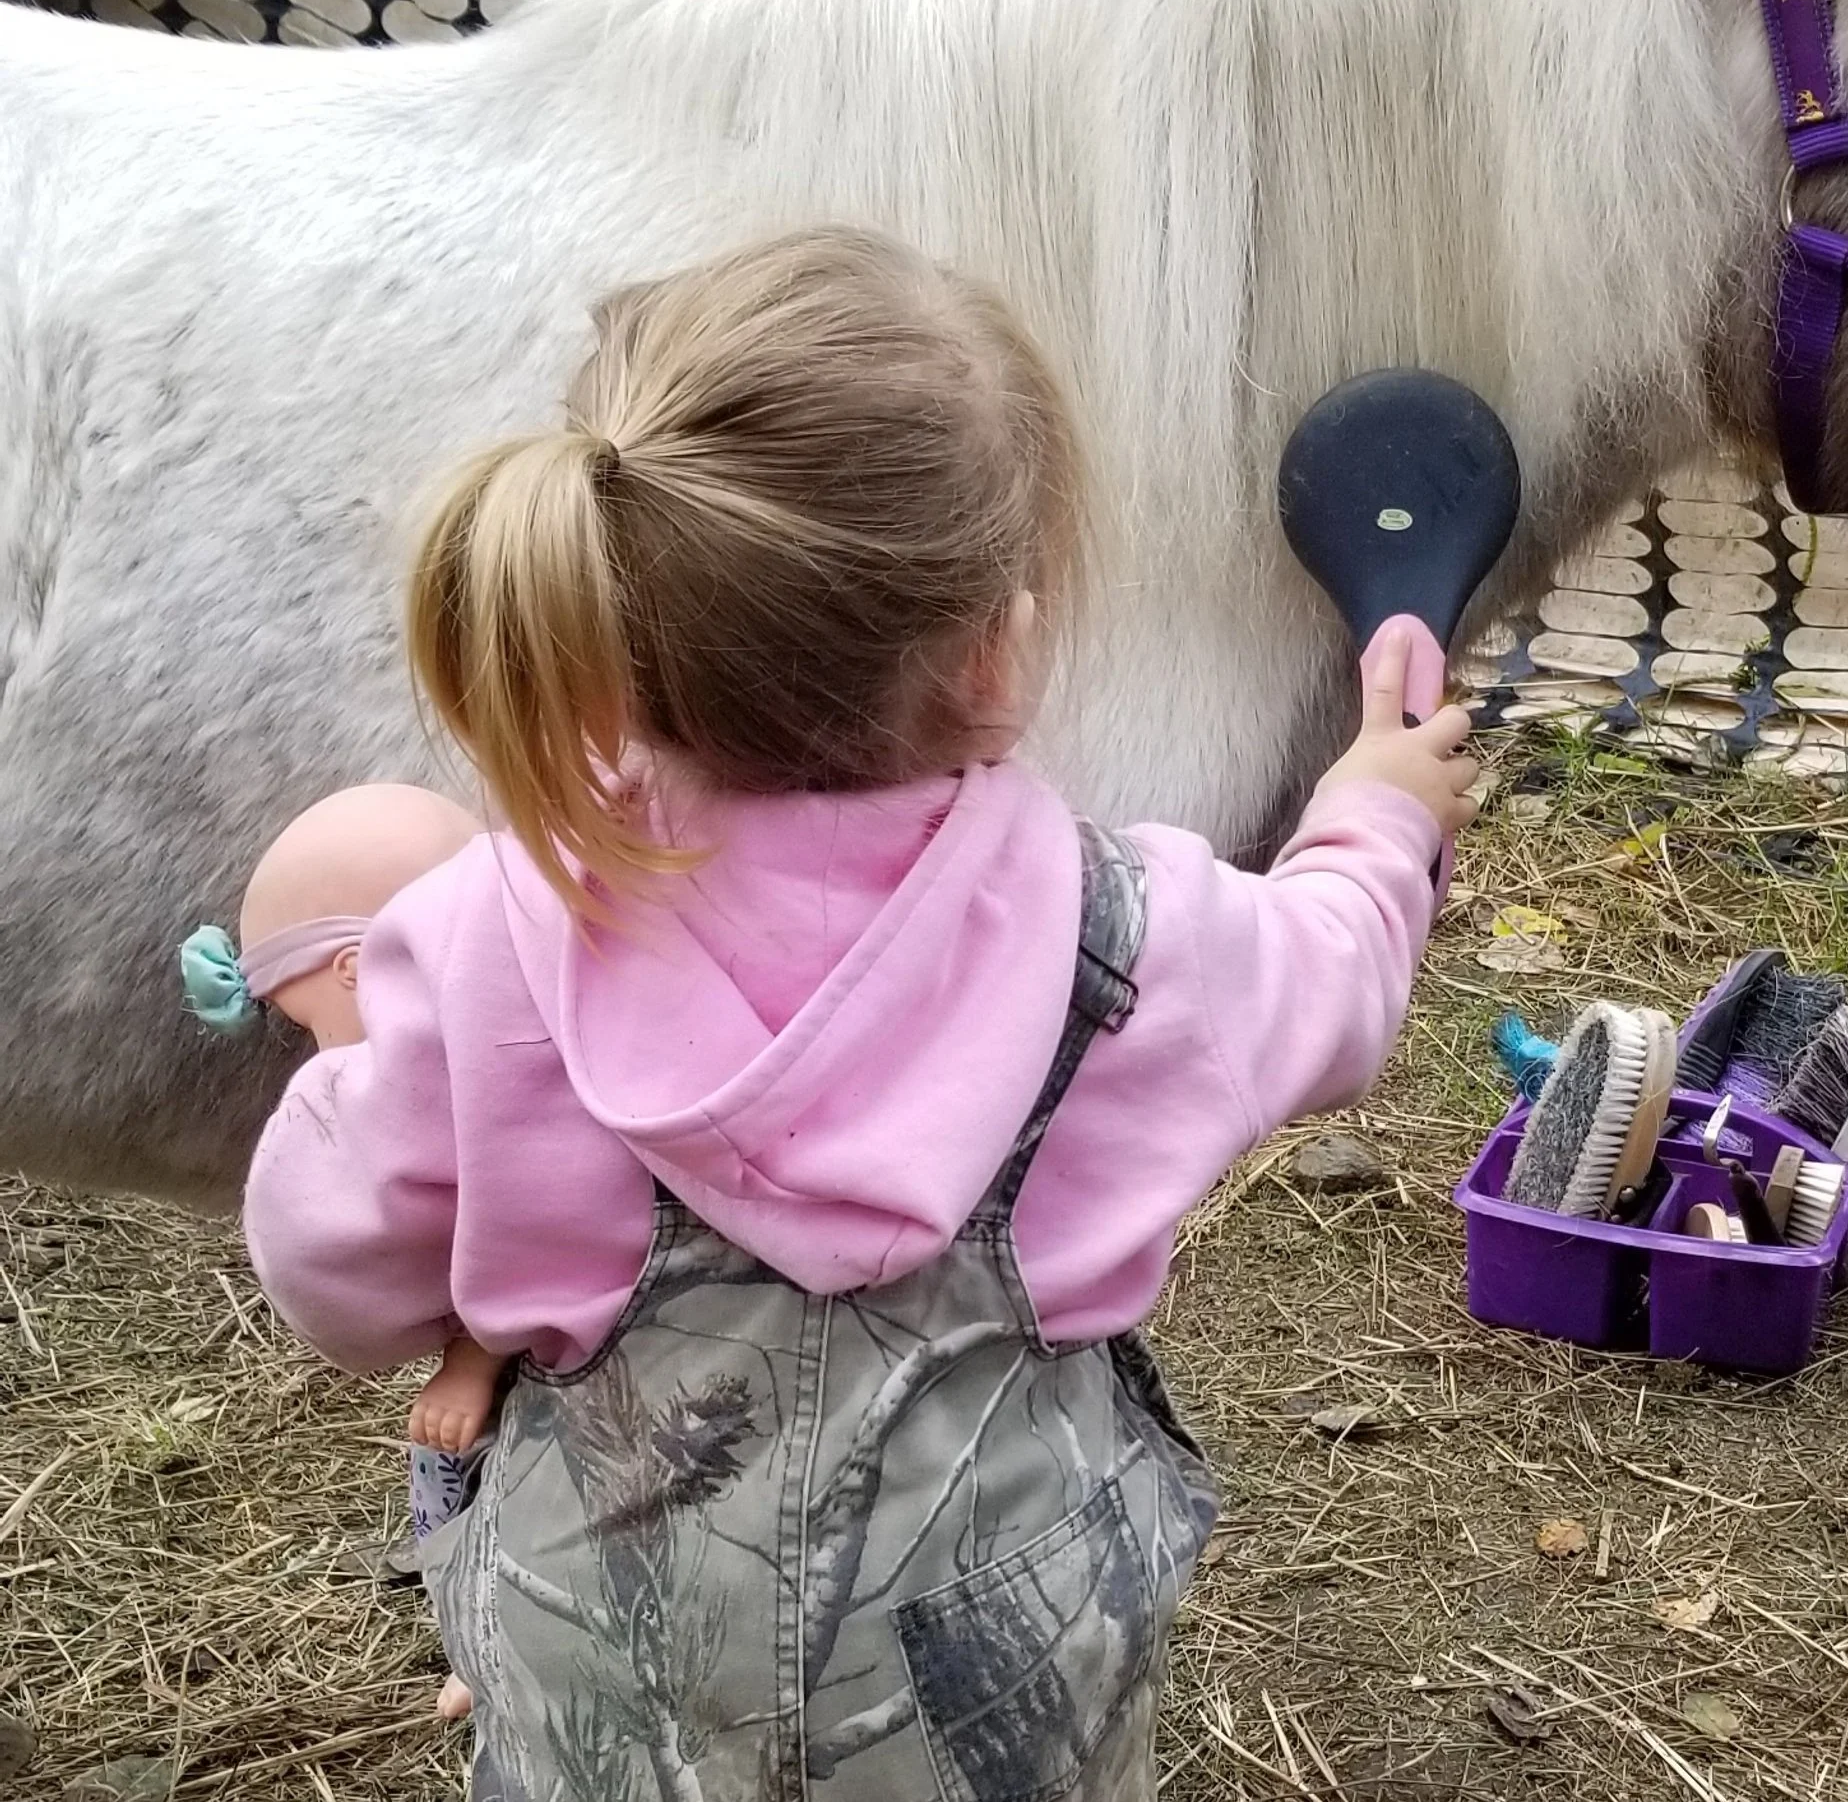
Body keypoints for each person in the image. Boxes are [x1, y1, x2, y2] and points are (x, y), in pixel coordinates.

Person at [241, 227, 1478, 1800]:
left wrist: (376, 1104)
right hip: (994, 1680)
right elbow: (1339, 975)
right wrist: (1375, 811)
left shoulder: (483, 934)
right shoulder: (1137, 931)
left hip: (610, 1654)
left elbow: (335, 1271)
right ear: (994, 645)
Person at [179, 780, 497, 1722]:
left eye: (305, 1020)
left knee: (478, 1495)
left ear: (361, 969)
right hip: (487, 1349)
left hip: (518, 1358)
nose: (316, 1054)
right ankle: (471, 1634)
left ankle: (487, 1638)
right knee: (447, 1492)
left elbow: (533, 1228)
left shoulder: (470, 1087)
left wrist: (474, 1358)